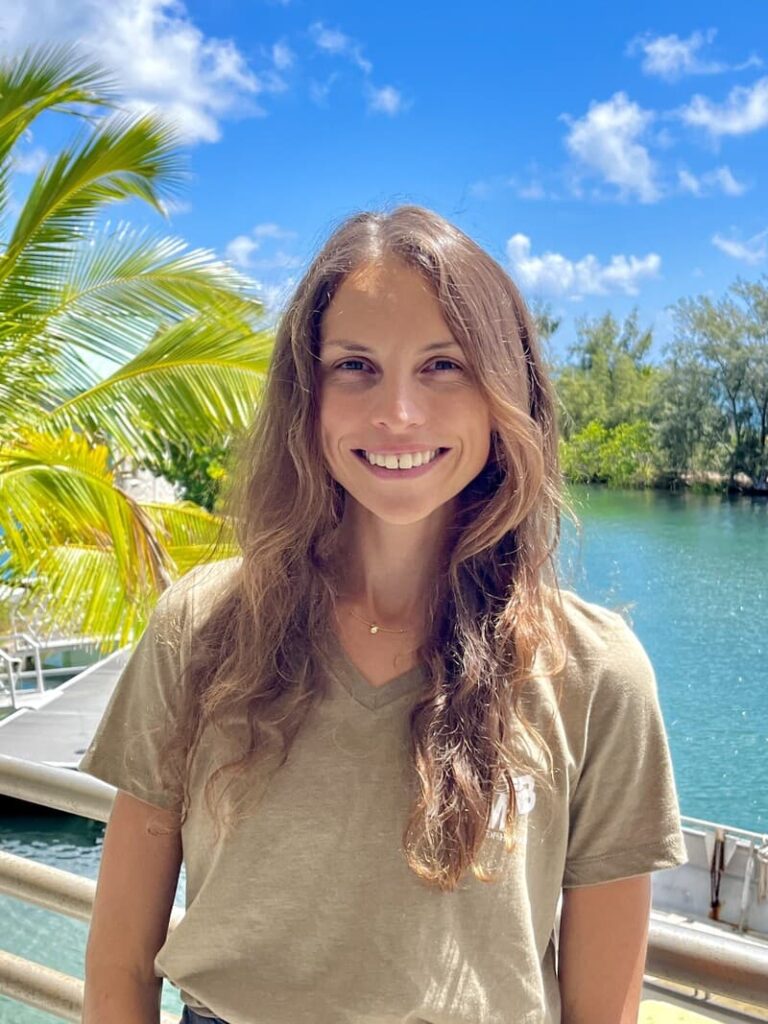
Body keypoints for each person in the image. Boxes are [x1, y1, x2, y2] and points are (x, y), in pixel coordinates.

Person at [79, 204, 688, 1024]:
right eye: (356, 366)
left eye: (444, 366)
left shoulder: (594, 671)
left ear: (507, 393)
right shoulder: (203, 628)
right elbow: (119, 964)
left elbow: (600, 1009)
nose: (398, 412)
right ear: (309, 394)